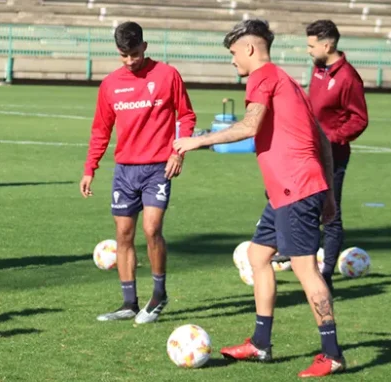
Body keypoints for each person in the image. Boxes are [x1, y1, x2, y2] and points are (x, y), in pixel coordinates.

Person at [173, 19, 345, 377]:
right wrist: (327, 195)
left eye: (234, 53)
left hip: (295, 190)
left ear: (250, 49)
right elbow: (324, 143)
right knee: (257, 255)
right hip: (291, 190)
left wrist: (197, 139)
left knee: (305, 270)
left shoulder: (263, 77)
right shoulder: (289, 82)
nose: (233, 60)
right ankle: (260, 343)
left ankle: (331, 353)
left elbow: (249, 126)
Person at [80, 21, 196, 324]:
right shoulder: (110, 84)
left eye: (134, 54)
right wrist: (90, 168)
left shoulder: (167, 75)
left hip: (158, 168)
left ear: (144, 46)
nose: (130, 61)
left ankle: (159, 295)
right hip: (125, 171)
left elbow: (186, 115)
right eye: (123, 55)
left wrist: (178, 152)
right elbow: (100, 130)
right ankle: (129, 303)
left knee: (151, 229)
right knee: (123, 234)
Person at [305, 19, 369, 293]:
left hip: (333, 155)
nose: (308, 50)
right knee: (297, 203)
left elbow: (359, 119)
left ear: (327, 44)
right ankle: (300, 258)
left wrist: (331, 139)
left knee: (330, 213)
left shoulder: (348, 77)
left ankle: (327, 274)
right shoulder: (318, 69)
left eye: (311, 45)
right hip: (308, 151)